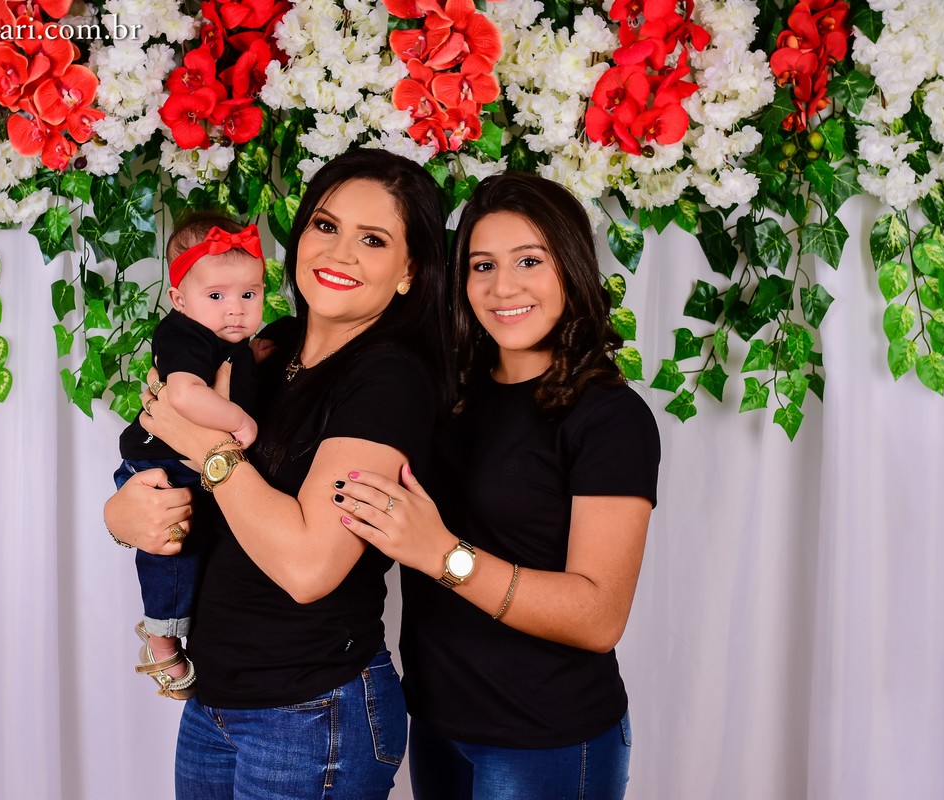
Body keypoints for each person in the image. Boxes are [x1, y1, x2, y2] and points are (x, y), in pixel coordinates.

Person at [103, 147, 450, 799]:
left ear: (409, 270)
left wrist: (208, 447)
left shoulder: (390, 379)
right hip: (214, 702)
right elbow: (168, 453)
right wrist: (123, 515)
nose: (339, 253)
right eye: (326, 225)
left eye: (373, 239)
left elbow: (308, 568)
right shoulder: (269, 344)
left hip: (312, 712)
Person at [333, 172, 660, 800]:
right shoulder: (447, 392)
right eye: (482, 265)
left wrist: (440, 553)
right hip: (435, 723)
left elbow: (598, 617)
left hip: (547, 739)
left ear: (571, 268)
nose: (502, 287)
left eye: (529, 261)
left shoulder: (609, 418)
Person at [114, 215, 265, 699]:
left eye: (249, 294)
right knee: (173, 550)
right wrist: (239, 421)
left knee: (194, 546)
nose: (235, 309)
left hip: (188, 462)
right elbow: (182, 393)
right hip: (161, 465)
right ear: (180, 300)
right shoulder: (186, 334)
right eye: (216, 295)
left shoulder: (228, 339)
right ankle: (161, 639)